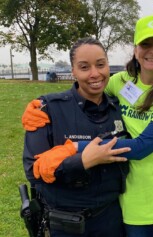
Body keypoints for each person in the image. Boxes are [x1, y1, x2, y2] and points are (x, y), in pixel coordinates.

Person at [22, 15, 153, 237]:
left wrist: (73, 149)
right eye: (146, 44)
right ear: (136, 49)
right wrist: (40, 106)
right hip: (136, 199)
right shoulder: (119, 82)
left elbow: (140, 148)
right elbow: (89, 85)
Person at [23, 37, 131, 237]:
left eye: (101, 64)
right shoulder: (47, 109)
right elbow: (33, 171)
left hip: (112, 221)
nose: (95, 74)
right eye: (84, 67)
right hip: (65, 224)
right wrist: (82, 161)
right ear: (73, 70)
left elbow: (145, 126)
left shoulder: (121, 107)